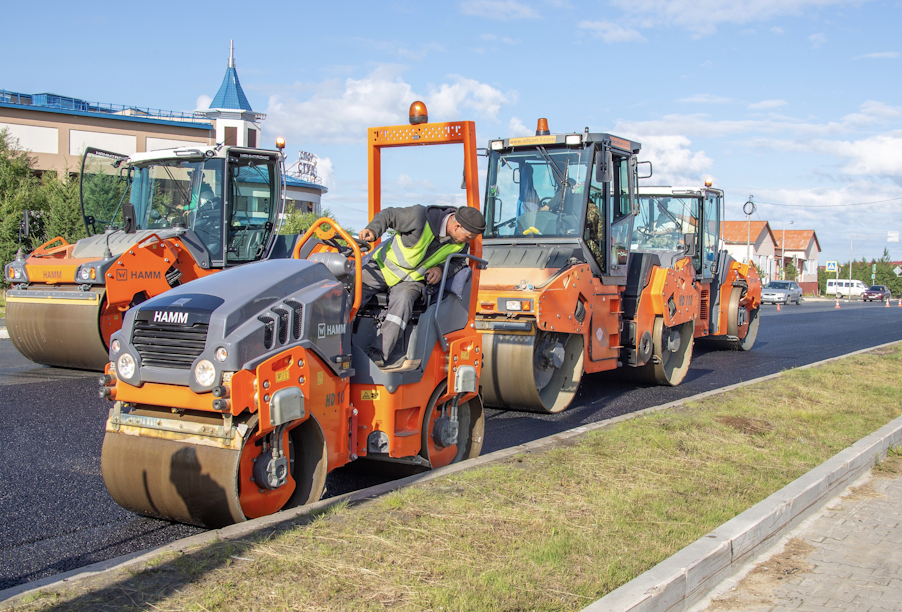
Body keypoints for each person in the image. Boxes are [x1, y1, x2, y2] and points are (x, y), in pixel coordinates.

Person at [357, 205, 486, 368]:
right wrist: (374, 229)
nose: (468, 241)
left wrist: (440, 270)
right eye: (468, 237)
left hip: (412, 281)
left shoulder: (461, 243)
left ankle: (378, 353)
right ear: (456, 226)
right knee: (353, 290)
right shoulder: (420, 217)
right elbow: (389, 215)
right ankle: (338, 341)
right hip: (384, 268)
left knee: (403, 301)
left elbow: (458, 262)